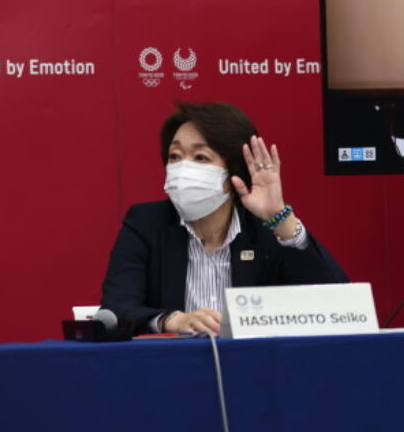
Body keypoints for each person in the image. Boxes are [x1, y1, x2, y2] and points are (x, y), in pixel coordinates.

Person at [100, 102, 347, 335]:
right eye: (175, 156)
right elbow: (115, 310)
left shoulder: (264, 230)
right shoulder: (146, 223)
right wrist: (173, 320)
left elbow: (338, 303)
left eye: (200, 158)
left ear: (233, 173)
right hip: (170, 369)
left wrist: (280, 218)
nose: (182, 169)